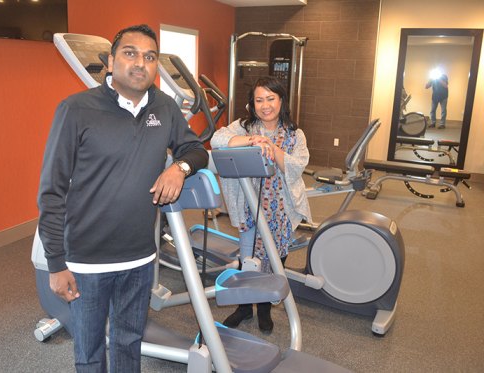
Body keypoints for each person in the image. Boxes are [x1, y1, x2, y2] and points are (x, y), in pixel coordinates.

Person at [37, 24, 208, 373]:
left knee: (130, 342)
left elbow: (195, 149)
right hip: (87, 262)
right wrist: (56, 263)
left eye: (149, 57)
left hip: (140, 259)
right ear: (111, 61)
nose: (140, 63)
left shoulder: (164, 107)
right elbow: (52, 190)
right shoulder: (76, 109)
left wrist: (179, 168)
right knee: (89, 351)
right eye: (130, 53)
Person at [210, 76, 312, 334]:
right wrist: (252, 141)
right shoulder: (243, 127)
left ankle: (265, 308)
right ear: (252, 104)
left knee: (276, 259)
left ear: (281, 101)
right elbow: (217, 139)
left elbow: (297, 165)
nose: (265, 105)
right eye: (259, 100)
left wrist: (270, 147)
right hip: (249, 207)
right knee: (248, 258)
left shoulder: (295, 134)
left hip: (282, 210)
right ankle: (244, 308)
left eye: (271, 98)